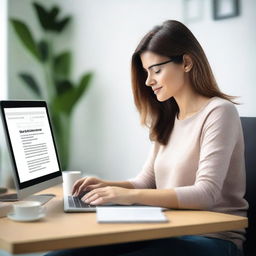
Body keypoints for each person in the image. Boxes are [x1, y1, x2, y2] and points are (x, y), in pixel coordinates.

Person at [45, 20, 248, 256]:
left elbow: (206, 193)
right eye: (146, 72)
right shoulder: (169, 116)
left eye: (156, 70)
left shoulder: (219, 112)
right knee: (62, 254)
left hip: (212, 239)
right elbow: (146, 181)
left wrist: (127, 196)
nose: (148, 81)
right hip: (166, 229)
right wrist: (107, 186)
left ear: (187, 63)